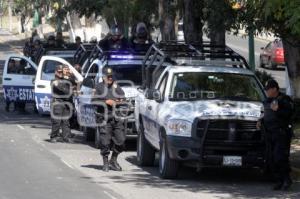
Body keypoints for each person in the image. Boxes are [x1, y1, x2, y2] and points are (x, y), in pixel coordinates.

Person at [263, 79, 294, 191]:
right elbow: (265, 114)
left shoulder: (283, 100)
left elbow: (289, 113)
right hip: (270, 134)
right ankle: (279, 180)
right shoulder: (267, 101)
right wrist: (260, 120)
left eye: (268, 89)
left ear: (275, 89)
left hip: (281, 133)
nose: (266, 92)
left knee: (280, 157)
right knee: (271, 158)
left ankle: (286, 179)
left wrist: (278, 110)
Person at [94, 67, 126, 172]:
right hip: (104, 117)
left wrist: (119, 101)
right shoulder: (98, 87)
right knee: (105, 142)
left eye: (111, 76)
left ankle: (113, 159)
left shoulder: (116, 86)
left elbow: (122, 97)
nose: (110, 78)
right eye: (108, 76)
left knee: (120, 141)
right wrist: (106, 101)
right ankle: (105, 162)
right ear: (103, 77)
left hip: (116, 117)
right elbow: (93, 100)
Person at [50, 65, 74, 143]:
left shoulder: (66, 79)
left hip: (66, 102)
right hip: (57, 102)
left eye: (61, 72)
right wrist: (69, 91)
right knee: (56, 121)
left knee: (66, 121)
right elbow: (62, 89)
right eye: (59, 72)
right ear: (55, 72)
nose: (60, 73)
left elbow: (75, 82)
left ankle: (66, 137)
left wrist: (71, 74)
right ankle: (54, 136)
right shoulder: (54, 81)